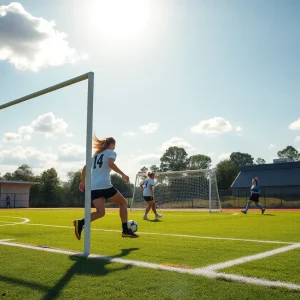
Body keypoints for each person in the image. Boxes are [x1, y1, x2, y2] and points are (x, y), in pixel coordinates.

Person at [73, 136, 139, 239]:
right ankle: (125, 230)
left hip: (93, 188)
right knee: (123, 202)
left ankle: (80, 223)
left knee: (100, 212)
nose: (115, 147)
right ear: (111, 144)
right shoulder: (110, 152)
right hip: (104, 185)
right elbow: (110, 163)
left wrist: (82, 182)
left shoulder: (96, 155)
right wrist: (123, 174)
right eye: (114, 145)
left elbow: (85, 168)